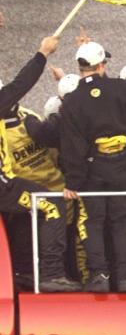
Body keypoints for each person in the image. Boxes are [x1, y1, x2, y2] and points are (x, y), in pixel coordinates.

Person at [59, 40, 126, 292]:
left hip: (92, 171)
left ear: (80, 67)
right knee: (122, 220)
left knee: (93, 222)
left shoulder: (73, 100)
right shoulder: (122, 89)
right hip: (123, 167)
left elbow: (72, 146)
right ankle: (125, 278)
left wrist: (73, 182)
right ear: (101, 64)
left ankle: (99, 275)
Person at [0, 36, 80, 292]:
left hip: (7, 184)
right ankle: (52, 274)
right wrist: (42, 53)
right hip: (3, 186)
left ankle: (24, 271)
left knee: (29, 207)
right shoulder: (11, 108)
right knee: (51, 203)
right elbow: (19, 85)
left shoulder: (25, 116)